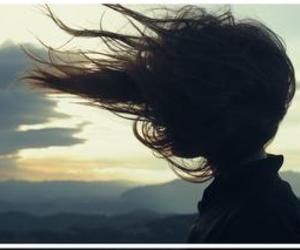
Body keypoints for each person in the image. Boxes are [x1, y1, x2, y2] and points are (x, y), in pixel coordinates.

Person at [24, 4, 300, 243]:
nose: (159, 117)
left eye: (176, 102)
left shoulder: (259, 220)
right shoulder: (252, 206)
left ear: (219, 110)